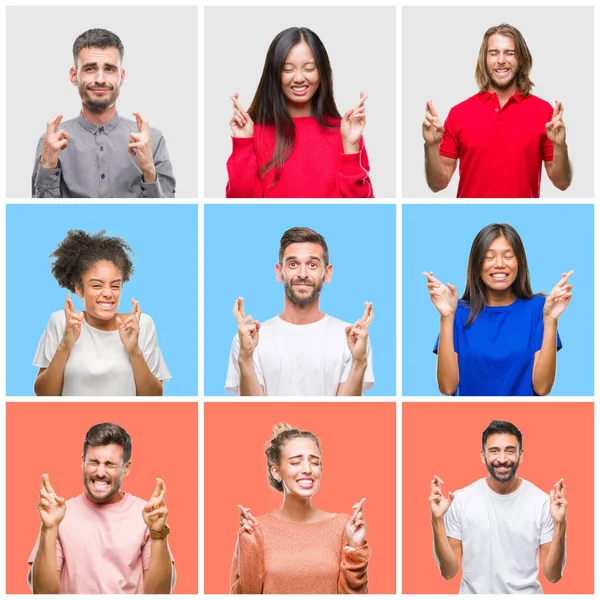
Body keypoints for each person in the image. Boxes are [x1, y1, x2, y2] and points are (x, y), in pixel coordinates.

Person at [422, 23, 572, 198]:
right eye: (494, 53)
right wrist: (431, 146)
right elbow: (437, 184)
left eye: (509, 53)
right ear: (484, 59)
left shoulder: (544, 112)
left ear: (521, 58)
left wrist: (560, 146)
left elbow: (562, 183)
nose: (501, 60)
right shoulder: (459, 113)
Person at [424, 223, 572, 396]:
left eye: (508, 256)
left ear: (520, 262)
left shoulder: (539, 309)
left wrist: (551, 320)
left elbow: (542, 388)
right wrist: (447, 317)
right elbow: (447, 388)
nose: (499, 264)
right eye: (489, 257)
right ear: (477, 264)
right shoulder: (457, 311)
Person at [225, 227, 374, 396]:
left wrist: (359, 361)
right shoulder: (248, 340)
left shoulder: (352, 339)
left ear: (328, 273)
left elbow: (346, 416)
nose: (302, 274)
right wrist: (245, 357)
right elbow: (252, 414)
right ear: (279, 272)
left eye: (312, 264)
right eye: (293, 264)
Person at [226, 27, 373, 198]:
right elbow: (239, 206)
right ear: (274, 74)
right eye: (288, 69)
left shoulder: (345, 133)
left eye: (309, 68)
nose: (299, 78)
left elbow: (363, 209)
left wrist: (351, 147)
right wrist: (243, 143)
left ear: (322, 72)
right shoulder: (254, 133)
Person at [28, 422, 174, 594]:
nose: (100, 472)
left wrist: (158, 534)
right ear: (83, 461)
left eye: (110, 464)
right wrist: (49, 528)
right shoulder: (59, 515)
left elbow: (160, 594)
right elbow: (43, 593)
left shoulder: (147, 515)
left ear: (126, 468)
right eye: (94, 462)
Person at [32, 28, 175, 198]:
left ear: (121, 77)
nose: (100, 79)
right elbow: (43, 219)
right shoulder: (51, 142)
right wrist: (47, 165)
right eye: (90, 69)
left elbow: (166, 219)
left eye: (109, 69)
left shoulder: (153, 140)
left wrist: (149, 171)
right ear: (73, 75)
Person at [429, 420, 567, 594]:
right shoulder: (461, 500)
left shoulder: (542, 503)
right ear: (482, 455)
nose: (502, 459)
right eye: (494, 451)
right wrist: (437, 519)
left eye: (510, 451)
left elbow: (553, 576)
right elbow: (448, 572)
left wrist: (560, 523)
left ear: (521, 455)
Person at [231, 423, 370, 594]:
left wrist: (355, 549)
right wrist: (248, 545)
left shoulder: (343, 527)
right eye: (296, 462)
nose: (307, 469)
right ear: (276, 472)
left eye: (315, 462)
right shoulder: (255, 530)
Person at [33, 229, 170, 396]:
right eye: (97, 285)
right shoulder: (62, 321)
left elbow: (154, 397)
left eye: (115, 286)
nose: (108, 293)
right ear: (79, 289)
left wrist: (134, 351)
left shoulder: (140, 324)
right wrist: (65, 345)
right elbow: (44, 395)